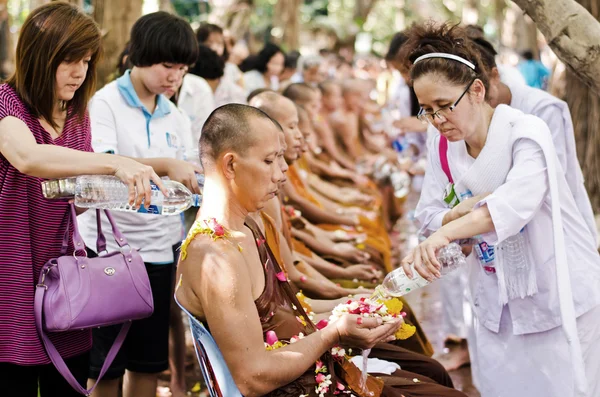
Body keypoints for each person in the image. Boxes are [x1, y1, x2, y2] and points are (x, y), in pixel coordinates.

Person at [175, 103, 467, 396]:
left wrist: (349, 303)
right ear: (230, 165)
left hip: (308, 362)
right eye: (269, 161)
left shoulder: (249, 224)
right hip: (290, 386)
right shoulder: (215, 254)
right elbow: (253, 378)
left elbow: (285, 311)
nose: (281, 173)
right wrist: (335, 332)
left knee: (433, 372)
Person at [400, 22, 600, 397]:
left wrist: (448, 229)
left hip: (555, 293)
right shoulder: (442, 145)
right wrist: (457, 218)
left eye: (445, 106)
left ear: (477, 90)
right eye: (427, 110)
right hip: (494, 298)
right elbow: (427, 214)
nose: (438, 120)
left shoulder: (528, 132)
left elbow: (512, 206)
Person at [0, 3, 167, 396]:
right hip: (12, 276)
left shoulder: (76, 114)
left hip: (66, 280)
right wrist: (114, 166)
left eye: (87, 61)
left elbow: (74, 195)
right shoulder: (7, 104)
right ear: (39, 57)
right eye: (69, 61)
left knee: (70, 382)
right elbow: (29, 158)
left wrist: (112, 192)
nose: (80, 73)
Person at [76, 12, 200, 397]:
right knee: (104, 367)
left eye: (181, 69)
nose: (174, 77)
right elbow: (101, 171)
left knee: (148, 363)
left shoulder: (175, 114)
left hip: (160, 253)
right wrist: (166, 167)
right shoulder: (105, 104)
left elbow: (187, 178)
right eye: (167, 66)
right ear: (139, 56)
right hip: (109, 254)